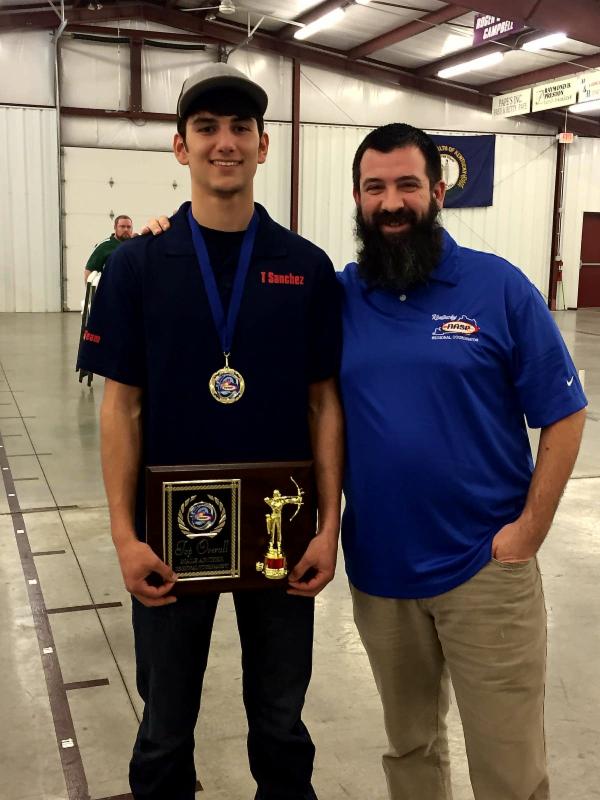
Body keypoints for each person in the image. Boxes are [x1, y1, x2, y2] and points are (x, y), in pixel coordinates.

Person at [76, 62, 343, 800]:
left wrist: (328, 527)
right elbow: (121, 408)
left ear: (263, 146)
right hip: (168, 531)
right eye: (206, 128)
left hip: (282, 528)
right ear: (180, 147)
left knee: (281, 721)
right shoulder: (138, 265)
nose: (225, 142)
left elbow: (324, 404)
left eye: (240, 128)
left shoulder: (306, 267)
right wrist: (124, 537)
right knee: (165, 724)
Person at [339, 123, 587, 800]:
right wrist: (161, 235)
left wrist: (528, 533)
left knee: (510, 766)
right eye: (375, 187)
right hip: (381, 573)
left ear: (439, 192)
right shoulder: (339, 297)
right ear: (358, 198)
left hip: (485, 569)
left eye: (408, 185)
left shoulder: (498, 287)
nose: (392, 202)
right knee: (410, 750)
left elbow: (565, 412)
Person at [83, 214, 134, 283]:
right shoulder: (104, 246)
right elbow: (89, 271)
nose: (126, 229)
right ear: (115, 228)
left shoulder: (135, 245)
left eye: (129, 227)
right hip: (111, 287)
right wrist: (90, 289)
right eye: (122, 226)